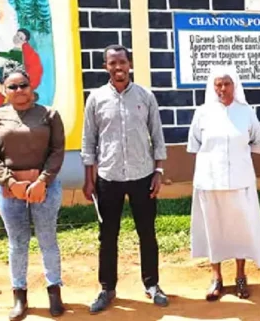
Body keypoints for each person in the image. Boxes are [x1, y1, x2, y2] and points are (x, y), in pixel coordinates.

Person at [81, 44, 169, 313]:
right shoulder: (95, 99)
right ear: (105, 66)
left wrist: (158, 172)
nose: (118, 67)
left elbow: (157, 136)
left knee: (147, 232)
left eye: (122, 62)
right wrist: (89, 178)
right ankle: (107, 288)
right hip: (108, 177)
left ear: (130, 64)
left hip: (143, 175)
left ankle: (152, 284)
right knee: (108, 235)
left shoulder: (146, 96)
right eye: (112, 63)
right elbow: (89, 141)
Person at [0, 67, 66, 320]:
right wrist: (10, 182)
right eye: (13, 87)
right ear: (5, 91)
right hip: (10, 191)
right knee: (17, 243)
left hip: (45, 189)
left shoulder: (49, 115)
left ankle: (54, 292)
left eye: (23, 85)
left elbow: (57, 151)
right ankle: (19, 296)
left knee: (47, 240)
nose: (19, 90)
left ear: (31, 88)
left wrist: (42, 181)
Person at [187, 65, 260, 301]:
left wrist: (236, 157)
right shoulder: (202, 112)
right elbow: (195, 145)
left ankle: (241, 276)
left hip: (240, 181)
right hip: (209, 181)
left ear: (235, 85)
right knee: (215, 230)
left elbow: (257, 143)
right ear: (213, 87)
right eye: (218, 84)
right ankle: (216, 278)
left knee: (240, 231)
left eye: (227, 83)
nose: (222, 88)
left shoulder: (246, 112)